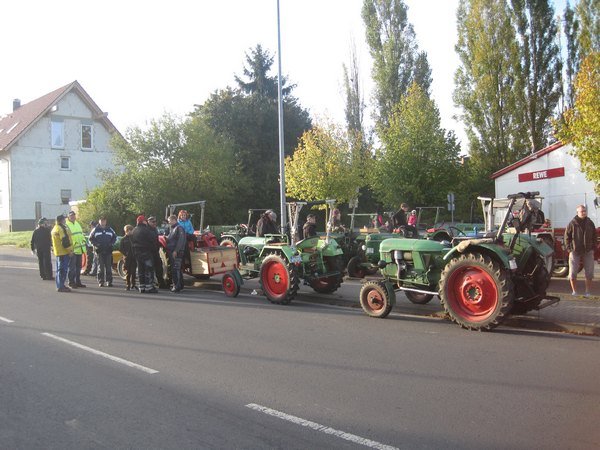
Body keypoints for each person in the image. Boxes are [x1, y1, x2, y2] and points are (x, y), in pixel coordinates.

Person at [565, 204, 597, 297]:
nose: (583, 212)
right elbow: (567, 237)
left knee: (589, 272)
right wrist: (569, 249)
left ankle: (587, 292)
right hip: (575, 251)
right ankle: (574, 291)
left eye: (584, 211)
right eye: (581, 211)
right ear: (577, 212)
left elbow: (594, 236)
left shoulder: (590, 223)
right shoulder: (572, 223)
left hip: (588, 250)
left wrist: (593, 247)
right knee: (573, 272)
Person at [131, 215, 158, 294]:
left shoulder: (134, 230)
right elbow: (152, 241)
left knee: (140, 270)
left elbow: (131, 243)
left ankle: (141, 287)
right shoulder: (146, 230)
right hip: (146, 252)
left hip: (137, 253)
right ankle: (149, 287)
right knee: (149, 270)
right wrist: (154, 250)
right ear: (143, 221)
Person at [89, 216, 117, 287]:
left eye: (104, 221)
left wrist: (111, 244)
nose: (103, 222)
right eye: (101, 221)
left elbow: (115, 237)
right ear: (99, 221)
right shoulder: (95, 229)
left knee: (108, 267)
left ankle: (109, 281)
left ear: (106, 221)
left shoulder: (110, 229)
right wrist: (96, 245)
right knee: (100, 268)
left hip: (108, 251)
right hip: (99, 251)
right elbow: (90, 239)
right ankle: (101, 282)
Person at [51, 214, 74, 292]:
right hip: (63, 252)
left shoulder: (55, 228)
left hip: (58, 252)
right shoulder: (61, 229)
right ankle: (61, 286)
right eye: (64, 219)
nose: (65, 220)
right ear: (61, 220)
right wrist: (70, 250)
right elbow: (65, 242)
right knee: (62, 270)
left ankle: (60, 285)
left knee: (59, 269)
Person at [66, 211, 86, 289]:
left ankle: (78, 281)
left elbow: (81, 234)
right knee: (72, 267)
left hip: (79, 249)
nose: (73, 217)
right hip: (72, 250)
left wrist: (84, 241)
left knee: (78, 267)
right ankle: (71, 282)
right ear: (68, 217)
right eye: (71, 216)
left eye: (74, 215)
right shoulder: (67, 225)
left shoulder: (77, 224)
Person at [166, 214, 186, 293]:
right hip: (173, 251)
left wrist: (176, 251)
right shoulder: (173, 228)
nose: (169, 223)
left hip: (176, 252)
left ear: (174, 220)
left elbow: (180, 241)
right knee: (177, 269)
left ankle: (176, 286)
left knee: (175, 269)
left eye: (169, 221)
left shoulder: (178, 228)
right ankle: (180, 285)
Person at [148, 216, 167, 289]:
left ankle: (161, 283)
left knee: (159, 267)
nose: (154, 223)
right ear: (148, 222)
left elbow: (157, 239)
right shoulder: (146, 230)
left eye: (155, 222)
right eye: (153, 222)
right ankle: (151, 284)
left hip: (156, 251)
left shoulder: (155, 229)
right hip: (149, 251)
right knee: (150, 268)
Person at [119, 224, 137, 291]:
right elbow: (120, 248)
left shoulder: (134, 238)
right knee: (128, 272)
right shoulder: (123, 239)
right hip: (127, 258)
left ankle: (133, 284)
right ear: (126, 231)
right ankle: (128, 285)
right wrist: (125, 254)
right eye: (129, 230)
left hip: (134, 257)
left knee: (134, 272)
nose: (130, 232)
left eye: (131, 230)